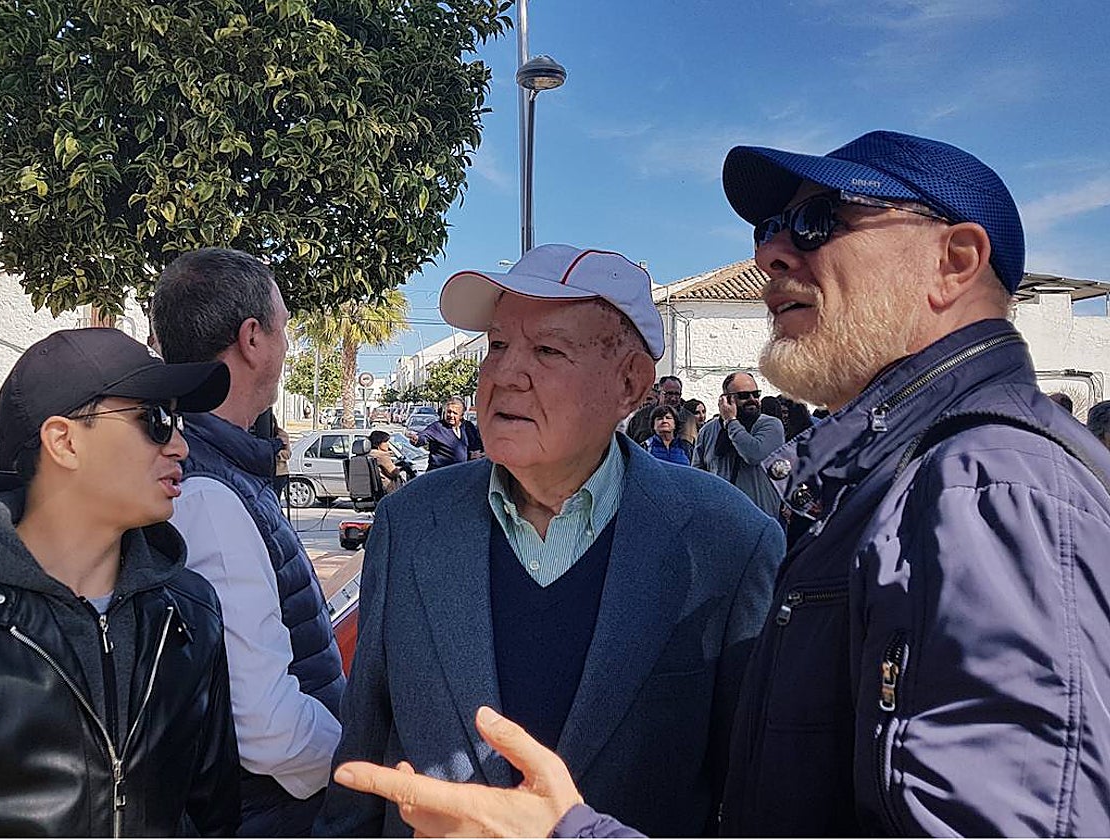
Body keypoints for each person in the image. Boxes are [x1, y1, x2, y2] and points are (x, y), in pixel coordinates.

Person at [332, 130, 1110, 838]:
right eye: (497, 346)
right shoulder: (413, 522)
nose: (772, 256)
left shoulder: (984, 494)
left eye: (816, 223)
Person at [314, 243, 784, 837]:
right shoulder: (410, 524)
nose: (506, 374)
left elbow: (752, 810)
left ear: (630, 384)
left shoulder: (730, 544)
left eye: (548, 349)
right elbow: (361, 765)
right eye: (499, 346)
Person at [0, 327, 240, 835]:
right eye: (153, 420)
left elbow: (211, 815)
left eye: (177, 421)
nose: (180, 444)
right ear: (63, 441)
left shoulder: (190, 613)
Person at [151, 248, 345, 836]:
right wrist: (364, 766)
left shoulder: (212, 467)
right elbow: (266, 727)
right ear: (252, 338)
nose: (287, 348)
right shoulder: (208, 494)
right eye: (284, 328)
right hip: (274, 816)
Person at [691, 372, 785, 519]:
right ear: (726, 399)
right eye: (744, 396)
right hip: (720, 518)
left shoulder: (770, 425)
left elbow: (754, 454)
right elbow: (697, 475)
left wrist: (731, 422)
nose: (752, 400)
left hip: (758, 518)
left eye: (756, 394)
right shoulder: (708, 431)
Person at [410, 396, 483, 470]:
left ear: (461, 415)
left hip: (462, 473)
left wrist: (475, 454)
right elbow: (423, 436)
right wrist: (416, 439)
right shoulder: (437, 427)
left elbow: (477, 445)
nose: (451, 415)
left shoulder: (468, 427)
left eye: (455, 413)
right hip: (440, 474)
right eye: (449, 412)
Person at [368, 430, 409, 494]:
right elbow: (394, 473)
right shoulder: (382, 455)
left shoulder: (369, 454)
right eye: (385, 442)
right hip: (387, 487)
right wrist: (402, 469)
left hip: (374, 488)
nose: (388, 444)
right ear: (378, 443)